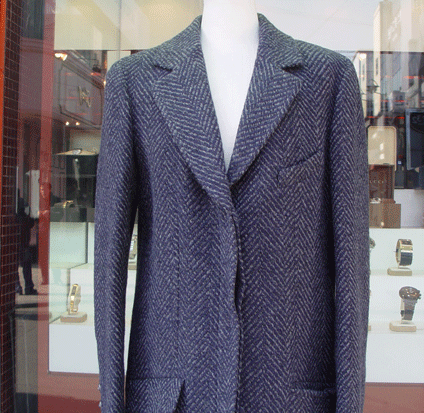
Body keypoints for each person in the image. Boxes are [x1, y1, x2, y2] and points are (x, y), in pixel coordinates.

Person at [94, 1, 370, 411]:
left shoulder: (328, 80)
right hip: (173, 397)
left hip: (288, 396)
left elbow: (351, 268)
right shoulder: (134, 83)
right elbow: (108, 263)